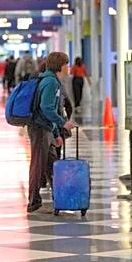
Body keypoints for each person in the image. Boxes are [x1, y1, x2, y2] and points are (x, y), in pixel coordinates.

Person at [27, 51, 76, 213]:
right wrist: (64, 123)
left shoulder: (50, 80)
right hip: (40, 129)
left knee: (52, 164)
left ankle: (60, 197)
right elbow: (46, 108)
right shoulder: (51, 82)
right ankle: (33, 200)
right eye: (66, 65)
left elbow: (51, 109)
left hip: (46, 129)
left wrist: (56, 134)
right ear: (60, 66)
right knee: (38, 165)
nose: (68, 68)